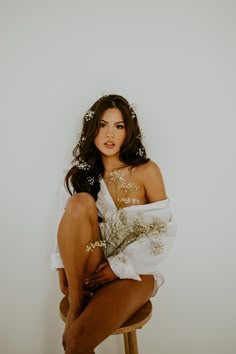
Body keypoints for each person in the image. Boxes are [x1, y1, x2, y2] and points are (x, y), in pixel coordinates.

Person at [51, 94, 176, 354]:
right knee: (78, 203)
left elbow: (162, 232)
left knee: (73, 342)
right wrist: (64, 273)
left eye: (118, 126)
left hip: (134, 272)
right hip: (91, 267)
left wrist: (117, 267)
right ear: (92, 129)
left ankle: (78, 320)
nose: (110, 134)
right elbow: (65, 227)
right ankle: (77, 303)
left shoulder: (146, 171)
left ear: (128, 131)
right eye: (103, 125)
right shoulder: (80, 175)